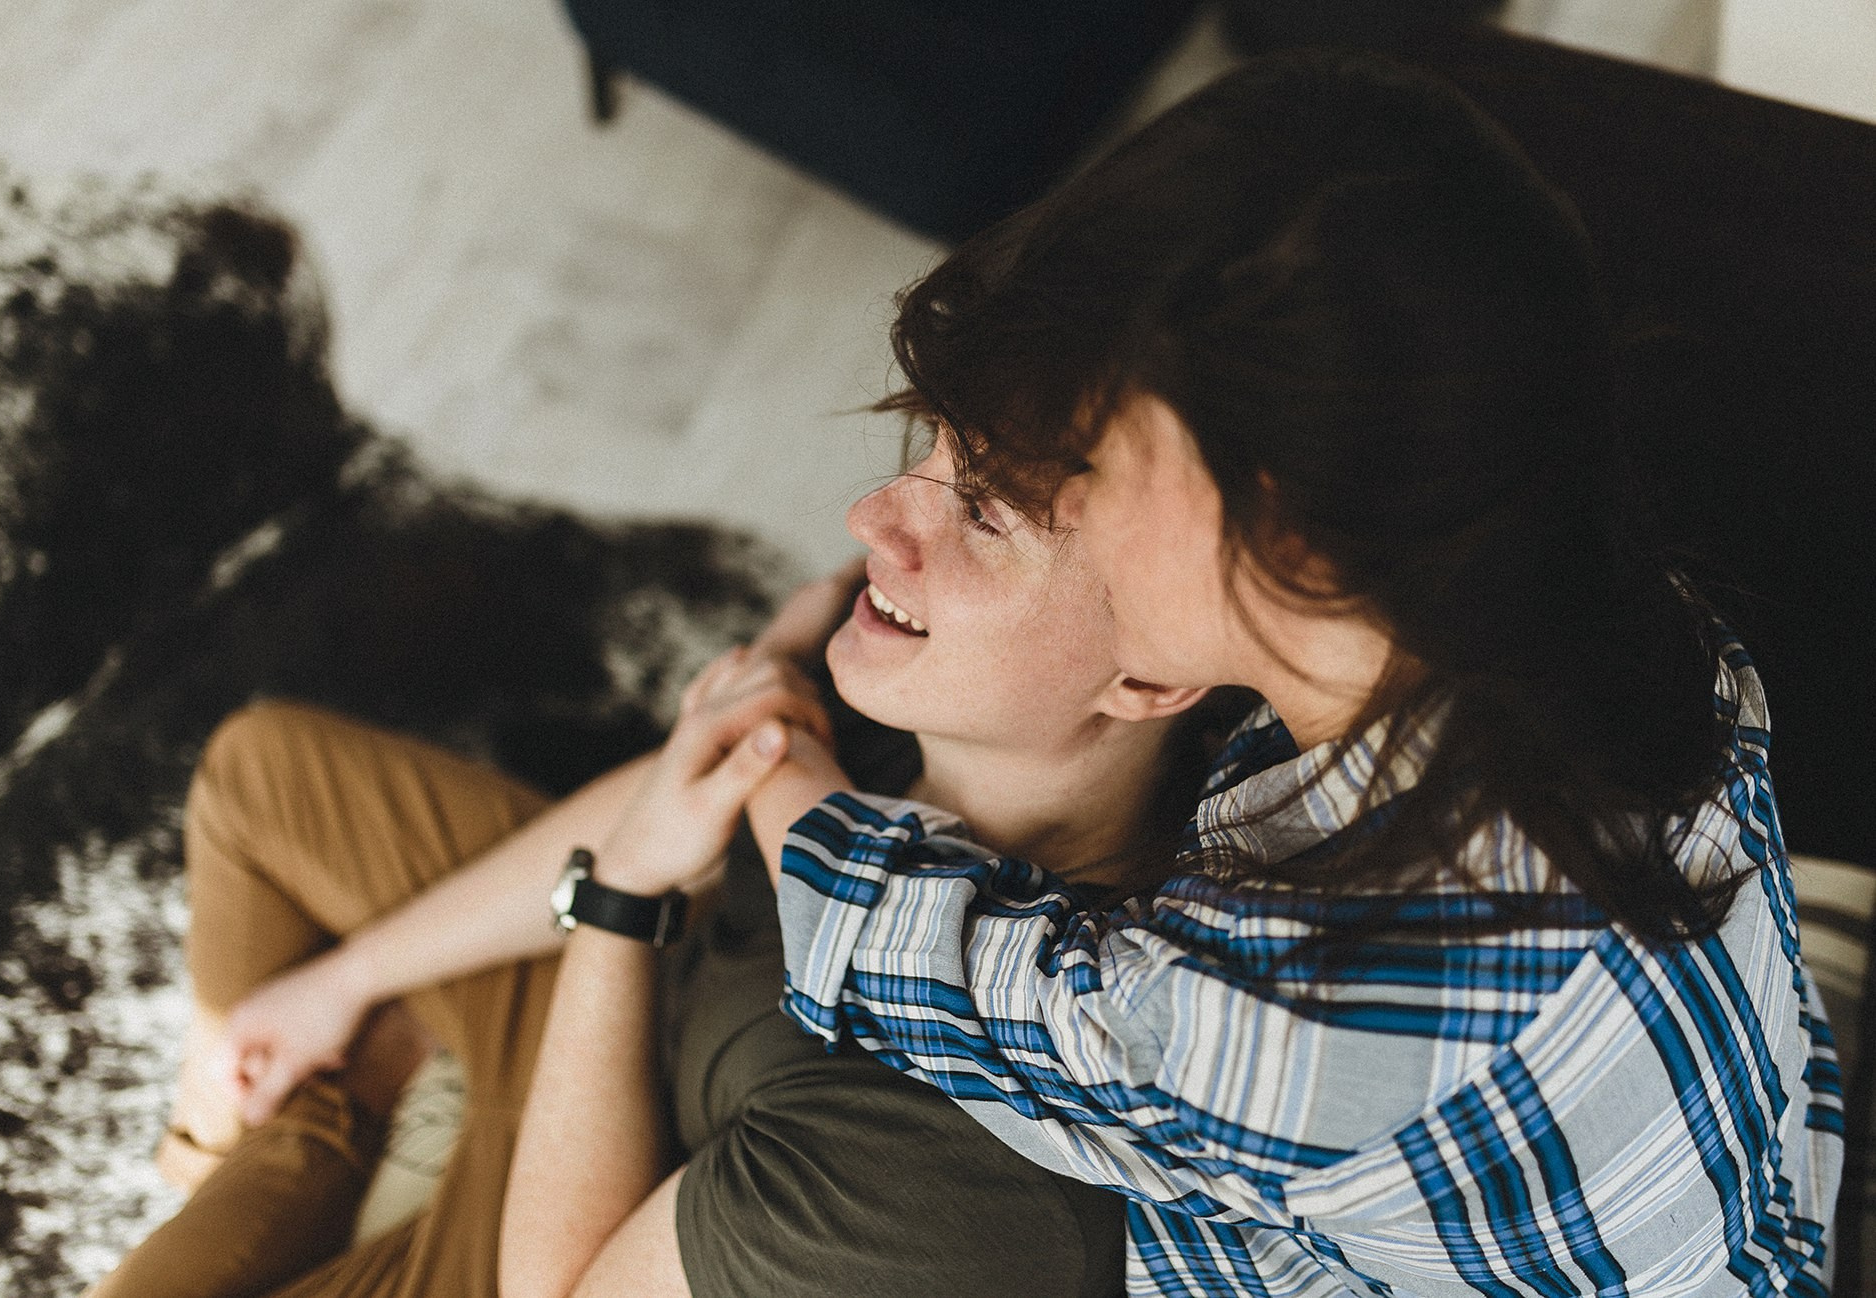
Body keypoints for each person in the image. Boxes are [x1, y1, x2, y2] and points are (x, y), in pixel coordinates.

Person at [737, 49, 1844, 1298]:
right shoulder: (1658, 636)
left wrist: (774, 753)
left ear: (1289, 537)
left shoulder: (1300, 1017)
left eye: (1091, 467)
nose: (1069, 504)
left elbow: (959, 980)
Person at [85, 427, 1218, 1297]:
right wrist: (350, 975)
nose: (872, 515)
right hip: (641, 1002)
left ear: (1149, 674)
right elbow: (689, 776)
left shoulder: (966, 1146)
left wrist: (622, 896)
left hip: (596, 1213)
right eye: (931, 446)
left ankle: (338, 1112)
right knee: (262, 774)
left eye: (983, 512)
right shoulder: (926, 674)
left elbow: (560, 1288)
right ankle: (334, 1087)